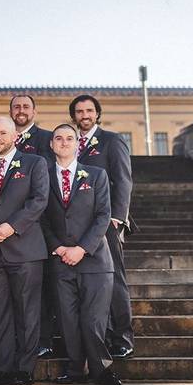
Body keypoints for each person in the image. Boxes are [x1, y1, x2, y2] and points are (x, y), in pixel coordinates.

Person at [0, 117, 49, 385]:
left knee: (27, 311)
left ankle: (24, 368)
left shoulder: (34, 163)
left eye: (3, 133)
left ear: (15, 135)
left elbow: (39, 200)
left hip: (24, 250)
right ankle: (2, 368)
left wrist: (11, 226)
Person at [41, 124, 121, 385]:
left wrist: (82, 248)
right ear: (51, 144)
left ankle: (101, 368)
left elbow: (102, 216)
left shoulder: (96, 175)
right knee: (68, 318)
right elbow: (41, 218)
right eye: (59, 138)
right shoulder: (42, 177)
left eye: (69, 139)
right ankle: (76, 367)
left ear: (78, 144)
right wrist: (59, 248)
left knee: (94, 318)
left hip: (95, 260)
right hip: (60, 259)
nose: (64, 143)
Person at [70, 94, 134, 359]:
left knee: (114, 279)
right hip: (78, 228)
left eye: (89, 111)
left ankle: (123, 338)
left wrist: (117, 217)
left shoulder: (111, 140)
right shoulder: (70, 144)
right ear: (73, 116)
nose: (84, 115)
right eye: (79, 112)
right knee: (93, 284)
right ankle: (101, 336)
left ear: (97, 114)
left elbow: (123, 180)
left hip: (106, 223)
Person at [10, 94, 55, 358]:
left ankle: (44, 339)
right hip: (10, 224)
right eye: (16, 107)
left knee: (41, 287)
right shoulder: (1, 139)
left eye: (26, 106)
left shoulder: (46, 139)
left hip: (41, 221)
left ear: (34, 111)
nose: (21, 110)